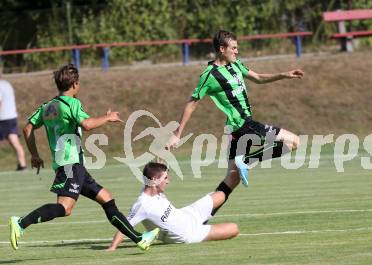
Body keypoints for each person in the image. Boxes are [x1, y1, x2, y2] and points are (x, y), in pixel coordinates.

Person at [8, 64, 159, 251]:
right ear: (74, 84)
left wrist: (35, 155)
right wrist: (108, 118)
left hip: (71, 165)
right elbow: (86, 124)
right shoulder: (72, 104)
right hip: (71, 164)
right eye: (79, 83)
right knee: (65, 208)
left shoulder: (47, 106)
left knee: (107, 199)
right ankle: (21, 223)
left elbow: (27, 128)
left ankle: (139, 239)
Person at [167, 29, 304, 215]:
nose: (237, 51)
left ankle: (200, 219)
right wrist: (177, 134)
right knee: (294, 142)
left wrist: (284, 74)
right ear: (222, 49)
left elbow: (257, 78)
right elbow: (192, 103)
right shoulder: (210, 75)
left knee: (231, 180)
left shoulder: (236, 65)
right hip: (244, 125)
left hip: (236, 130)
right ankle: (247, 160)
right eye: (233, 48)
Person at [107, 161, 239, 250]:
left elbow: (156, 170)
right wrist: (112, 248)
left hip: (189, 214)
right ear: (154, 180)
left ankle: (241, 158)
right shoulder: (142, 204)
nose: (168, 181)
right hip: (190, 234)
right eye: (165, 178)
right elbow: (124, 226)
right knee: (234, 229)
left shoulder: (153, 188)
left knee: (221, 194)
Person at [0, 72, 27, 170]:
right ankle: (23, 165)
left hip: (3, 118)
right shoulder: (7, 84)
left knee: (14, 142)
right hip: (11, 117)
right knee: (14, 142)